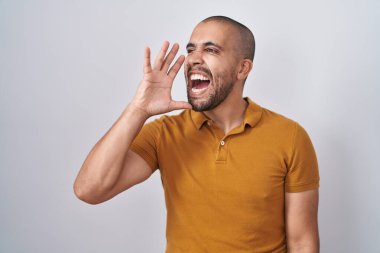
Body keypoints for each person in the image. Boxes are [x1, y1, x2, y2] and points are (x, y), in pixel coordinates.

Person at [74, 16, 320, 253]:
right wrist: (138, 109)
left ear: (242, 68)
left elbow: (302, 243)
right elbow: (89, 190)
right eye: (191, 49)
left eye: (211, 50)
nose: (193, 59)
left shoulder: (290, 137)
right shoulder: (164, 134)